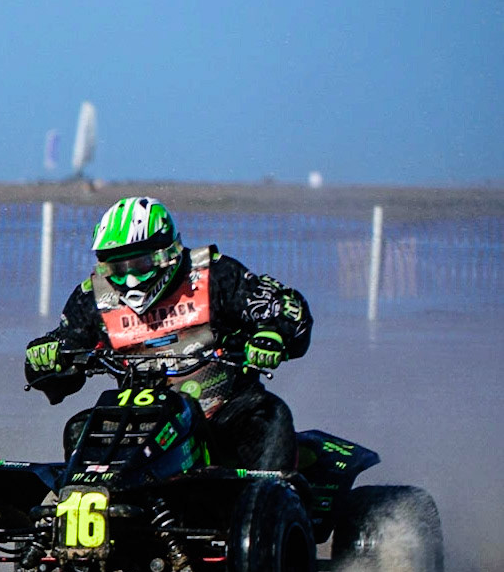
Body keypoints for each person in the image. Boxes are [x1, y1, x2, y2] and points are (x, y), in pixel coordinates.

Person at [23, 196, 312, 469]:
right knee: (80, 429)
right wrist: (46, 356)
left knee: (270, 418)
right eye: (118, 267)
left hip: (225, 414)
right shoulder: (94, 298)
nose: (131, 278)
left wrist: (271, 336)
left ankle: (276, 506)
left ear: (169, 254)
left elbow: (286, 308)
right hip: (142, 421)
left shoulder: (212, 275)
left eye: (141, 264)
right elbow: (64, 355)